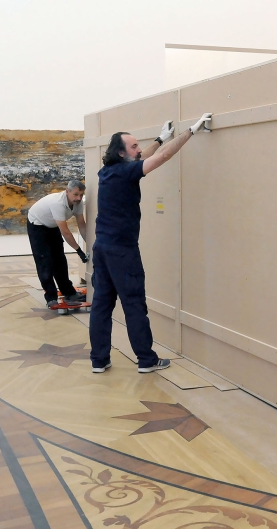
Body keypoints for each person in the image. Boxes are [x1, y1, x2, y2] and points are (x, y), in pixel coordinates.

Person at [89, 115, 212, 374]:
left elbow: (143, 156)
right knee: (134, 304)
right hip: (123, 252)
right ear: (122, 153)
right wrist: (189, 131)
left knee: (101, 305)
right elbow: (161, 158)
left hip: (102, 249)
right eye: (133, 146)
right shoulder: (126, 172)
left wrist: (160, 138)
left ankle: (99, 361)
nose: (138, 149)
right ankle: (146, 360)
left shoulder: (107, 172)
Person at [27, 180, 89, 308]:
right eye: (76, 194)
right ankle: (51, 297)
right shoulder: (58, 203)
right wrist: (79, 251)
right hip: (37, 225)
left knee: (59, 259)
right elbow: (65, 232)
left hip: (52, 224)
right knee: (45, 261)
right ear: (67, 192)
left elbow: (82, 225)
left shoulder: (78, 203)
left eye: (81, 195)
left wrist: (91, 243)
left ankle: (69, 292)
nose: (78, 198)